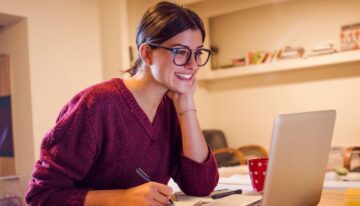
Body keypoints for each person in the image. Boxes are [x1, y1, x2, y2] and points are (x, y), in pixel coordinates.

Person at [25, 1, 219, 205]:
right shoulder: (96, 104)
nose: (193, 64)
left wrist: (186, 105)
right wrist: (121, 198)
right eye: (180, 51)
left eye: (198, 53)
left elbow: (201, 186)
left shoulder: (171, 107)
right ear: (146, 53)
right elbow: (41, 196)